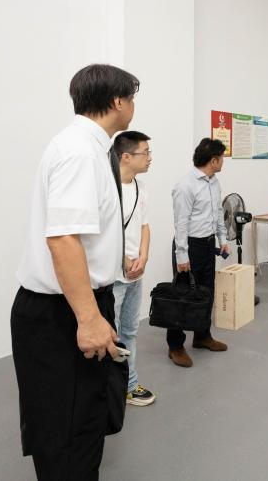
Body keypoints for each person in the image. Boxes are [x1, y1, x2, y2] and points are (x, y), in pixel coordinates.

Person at [12, 63, 138, 479]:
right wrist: (88, 318)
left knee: (82, 422)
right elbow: (64, 239)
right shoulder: (80, 152)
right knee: (66, 434)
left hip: (74, 303)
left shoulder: (91, 148)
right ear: (118, 101)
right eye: (132, 98)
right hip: (62, 311)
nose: (133, 106)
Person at [167, 138, 230, 368]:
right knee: (182, 297)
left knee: (206, 293)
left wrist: (222, 239)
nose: (222, 162)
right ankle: (175, 346)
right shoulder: (185, 186)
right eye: (221, 158)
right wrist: (182, 255)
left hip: (208, 244)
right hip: (190, 246)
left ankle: (202, 336)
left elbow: (218, 212)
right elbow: (181, 223)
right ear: (213, 161)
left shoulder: (214, 182)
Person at [111, 131, 155, 406]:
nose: (150, 158)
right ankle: (108, 389)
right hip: (112, 277)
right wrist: (123, 259)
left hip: (135, 275)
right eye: (145, 152)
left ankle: (129, 385)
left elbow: (144, 226)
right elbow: (99, 233)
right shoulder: (107, 189)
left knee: (130, 331)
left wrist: (144, 257)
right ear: (126, 157)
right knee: (110, 335)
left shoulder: (140, 188)